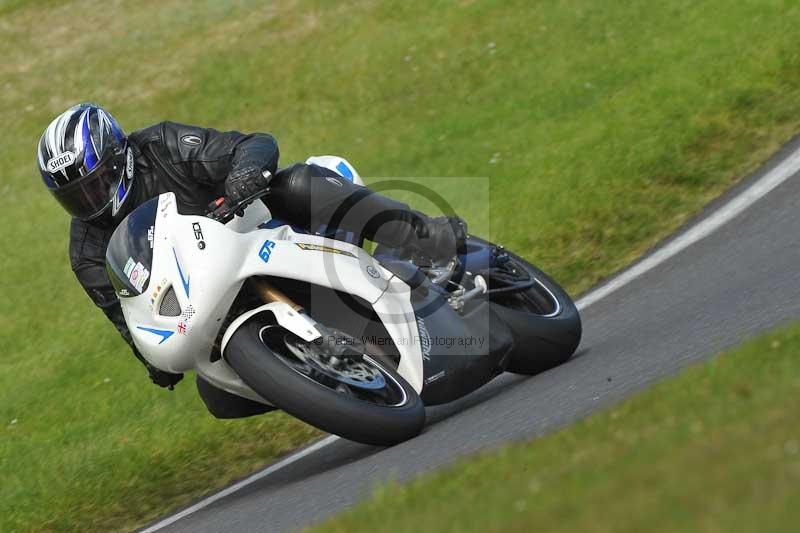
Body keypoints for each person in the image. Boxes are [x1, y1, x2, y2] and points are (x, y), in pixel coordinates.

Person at [37, 102, 465, 418]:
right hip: (204, 295)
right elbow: (124, 312)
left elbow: (252, 145)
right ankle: (323, 383)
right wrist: (150, 359)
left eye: (95, 185)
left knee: (296, 183)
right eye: (75, 197)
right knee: (217, 397)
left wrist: (244, 177)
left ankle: (427, 237)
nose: (89, 201)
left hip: (255, 227)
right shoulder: (86, 251)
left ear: (120, 158)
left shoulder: (163, 145)